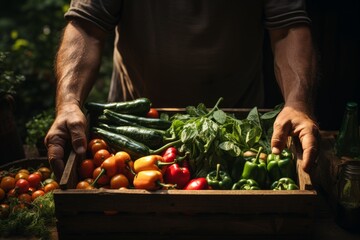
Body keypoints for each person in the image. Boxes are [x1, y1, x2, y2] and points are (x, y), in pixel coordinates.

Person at [45, 0, 320, 180]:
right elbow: (87, 25)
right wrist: (69, 102)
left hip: (238, 136)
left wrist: (297, 104)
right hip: (133, 132)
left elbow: (287, 28)